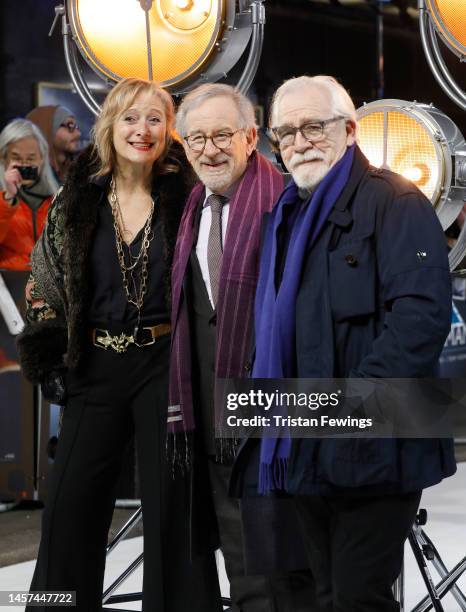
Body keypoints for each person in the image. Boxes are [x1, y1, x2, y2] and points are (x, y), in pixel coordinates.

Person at [231, 75, 456, 611]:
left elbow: (420, 322)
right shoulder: (287, 216)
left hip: (377, 442)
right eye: (286, 133)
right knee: (327, 595)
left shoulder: (396, 202)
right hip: (309, 439)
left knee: (359, 598)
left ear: (351, 129)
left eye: (314, 126)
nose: (299, 142)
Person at [17, 78, 220, 612]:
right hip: (95, 363)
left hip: (166, 364)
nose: (142, 130)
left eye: (154, 118)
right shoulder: (77, 196)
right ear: (110, 124)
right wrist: (45, 349)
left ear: (168, 128)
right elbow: (42, 278)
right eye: (130, 117)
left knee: (175, 511)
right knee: (67, 509)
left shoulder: (190, 193)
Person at [168, 83, 313, 612]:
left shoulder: (288, 202)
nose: (210, 149)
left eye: (223, 135)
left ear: (252, 138)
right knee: (244, 567)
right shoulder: (190, 211)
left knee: (288, 569)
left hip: (278, 420)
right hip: (213, 418)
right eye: (197, 138)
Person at [0, 118, 58, 270]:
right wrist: (8, 198)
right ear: (4, 158)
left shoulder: (57, 199)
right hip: (8, 283)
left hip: (49, 286)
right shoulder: (3, 198)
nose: (24, 165)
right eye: (17, 158)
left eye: (31, 158)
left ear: (42, 159)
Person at [26, 105, 81, 184]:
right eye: (70, 125)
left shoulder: (77, 170)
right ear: (45, 128)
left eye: (76, 127)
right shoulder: (31, 177)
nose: (78, 134)